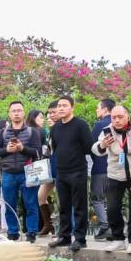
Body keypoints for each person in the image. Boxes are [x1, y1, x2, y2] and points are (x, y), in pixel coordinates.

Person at [91, 105, 131, 253]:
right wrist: (103, 145)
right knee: (112, 208)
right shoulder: (108, 130)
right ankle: (118, 239)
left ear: (128, 116)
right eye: (114, 118)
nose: (116, 121)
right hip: (115, 174)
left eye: (120, 117)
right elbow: (96, 150)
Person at [0, 101, 44, 242]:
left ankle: (31, 232)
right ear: (9, 113)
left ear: (23, 113)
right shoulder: (2, 133)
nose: (16, 113)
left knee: (31, 204)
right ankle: (12, 232)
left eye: (19, 110)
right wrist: (7, 150)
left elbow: (38, 152)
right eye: (13, 110)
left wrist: (23, 148)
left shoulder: (32, 132)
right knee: (9, 206)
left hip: (28, 173)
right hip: (8, 174)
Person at [48, 96, 93, 250]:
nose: (61, 108)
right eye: (59, 106)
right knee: (63, 207)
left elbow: (88, 147)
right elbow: (55, 148)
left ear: (72, 107)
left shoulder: (81, 125)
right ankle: (64, 236)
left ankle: (80, 239)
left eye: (64, 105)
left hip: (78, 171)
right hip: (61, 172)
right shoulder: (55, 128)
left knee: (79, 207)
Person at [29, 109, 55, 238]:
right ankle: (48, 224)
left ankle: (65, 229)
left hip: (60, 170)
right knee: (41, 196)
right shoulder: (47, 132)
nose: (47, 118)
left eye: (51, 116)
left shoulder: (52, 131)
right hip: (47, 169)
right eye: (46, 116)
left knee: (63, 200)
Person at [90, 99, 114, 239]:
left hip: (100, 167)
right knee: (112, 199)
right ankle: (114, 227)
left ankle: (105, 226)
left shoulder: (100, 124)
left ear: (105, 109)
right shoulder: (122, 124)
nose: (96, 111)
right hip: (116, 169)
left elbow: (91, 145)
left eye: (98, 108)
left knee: (97, 198)